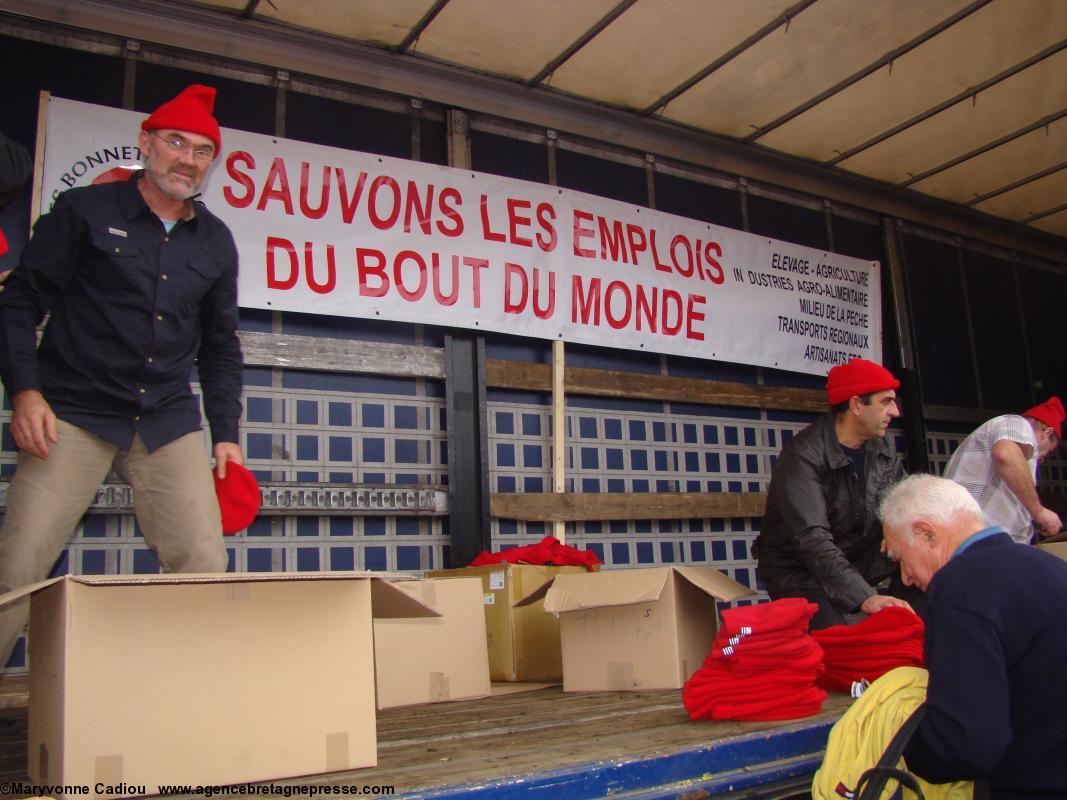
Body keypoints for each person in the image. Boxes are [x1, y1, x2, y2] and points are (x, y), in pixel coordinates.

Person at [0, 85, 244, 664]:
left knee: (203, 562)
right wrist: (25, 393)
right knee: (20, 563)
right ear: (146, 142)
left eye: (202, 150)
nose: (187, 158)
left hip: (165, 417)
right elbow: (18, 304)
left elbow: (219, 346)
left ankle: (175, 697)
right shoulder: (85, 211)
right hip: (72, 412)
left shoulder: (216, 241)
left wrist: (227, 432)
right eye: (175, 142)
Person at [880, 473, 1067, 796]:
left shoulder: (960, 587)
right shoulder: (1050, 568)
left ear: (927, 534)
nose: (905, 577)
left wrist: (903, 745)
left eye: (899, 558)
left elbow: (967, 741)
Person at [754, 358, 913, 630]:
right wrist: (864, 597)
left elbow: (908, 502)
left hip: (855, 560)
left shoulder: (881, 446)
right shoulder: (804, 454)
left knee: (925, 586)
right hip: (799, 572)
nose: (895, 411)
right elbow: (812, 538)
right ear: (856, 405)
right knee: (838, 646)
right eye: (885, 402)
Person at [943, 396, 1063, 544]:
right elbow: (1005, 454)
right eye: (1049, 452)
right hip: (980, 539)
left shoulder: (1020, 451)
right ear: (1047, 433)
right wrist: (1039, 512)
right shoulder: (1018, 424)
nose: (1042, 459)